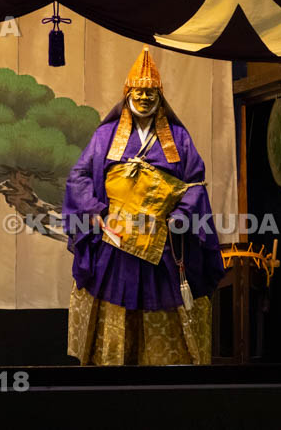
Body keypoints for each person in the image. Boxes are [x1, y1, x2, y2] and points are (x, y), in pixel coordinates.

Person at [63, 46, 225, 365]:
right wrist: (96, 210)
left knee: (168, 318)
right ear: (128, 93)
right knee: (113, 313)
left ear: (160, 96)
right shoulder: (106, 135)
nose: (146, 97)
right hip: (116, 241)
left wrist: (181, 216)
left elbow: (195, 184)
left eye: (152, 92)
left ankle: (167, 374)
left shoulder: (178, 137)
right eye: (140, 90)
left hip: (162, 242)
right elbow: (79, 175)